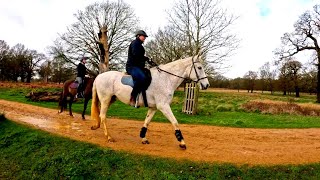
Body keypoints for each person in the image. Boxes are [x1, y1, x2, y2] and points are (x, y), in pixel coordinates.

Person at [126, 30, 156, 107]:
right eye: (144, 36)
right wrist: (145, 59)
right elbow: (136, 55)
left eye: (145, 37)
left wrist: (148, 60)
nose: (145, 38)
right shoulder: (135, 44)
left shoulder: (139, 45)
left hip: (138, 67)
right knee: (141, 78)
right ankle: (133, 97)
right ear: (138, 36)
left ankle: (143, 97)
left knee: (147, 76)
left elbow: (140, 56)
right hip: (132, 66)